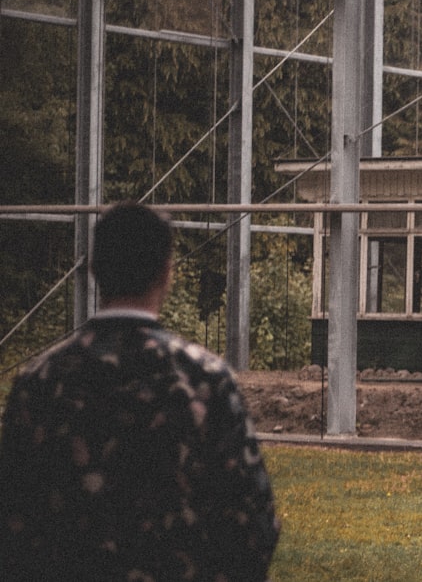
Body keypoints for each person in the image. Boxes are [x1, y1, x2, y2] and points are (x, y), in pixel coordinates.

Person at [0, 202, 280, 581]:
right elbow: (251, 522)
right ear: (167, 272)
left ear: (95, 268)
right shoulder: (205, 381)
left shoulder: (40, 381)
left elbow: (14, 521)